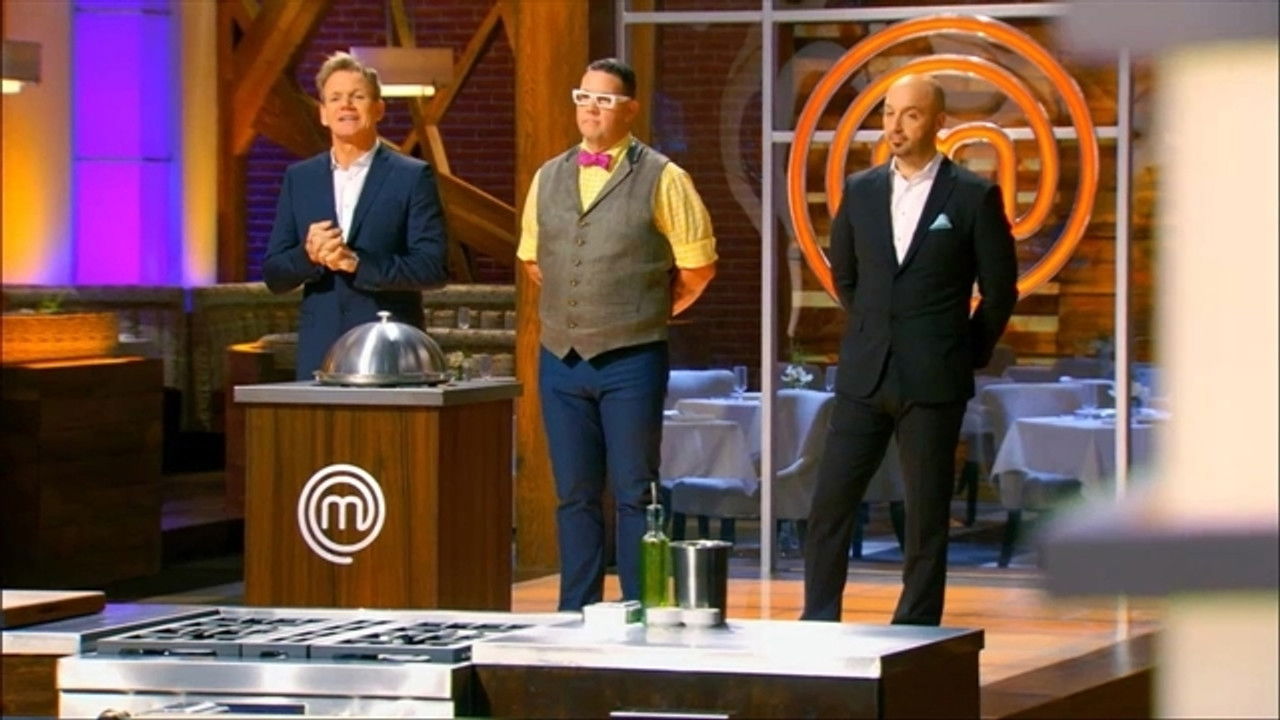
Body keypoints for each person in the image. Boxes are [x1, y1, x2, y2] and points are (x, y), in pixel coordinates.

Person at [802, 74, 1018, 626]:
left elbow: (1000, 292)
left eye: (910, 115)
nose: (895, 126)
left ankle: (915, 627)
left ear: (938, 122)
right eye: (888, 113)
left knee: (926, 516)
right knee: (829, 506)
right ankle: (818, 621)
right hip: (865, 374)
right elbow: (845, 276)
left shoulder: (972, 195)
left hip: (933, 378)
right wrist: (874, 327)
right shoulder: (861, 190)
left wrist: (963, 351)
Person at [518, 58, 717, 611]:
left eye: (604, 100)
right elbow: (533, 260)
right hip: (560, 358)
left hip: (632, 357)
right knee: (574, 494)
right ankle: (574, 610)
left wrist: (650, 306)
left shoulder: (664, 177)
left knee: (636, 492)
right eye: (583, 97)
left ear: (630, 109)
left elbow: (698, 267)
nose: (591, 108)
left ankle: (643, 607)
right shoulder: (547, 176)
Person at [263, 51, 449, 379]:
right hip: (320, 352)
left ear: (378, 109)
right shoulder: (300, 178)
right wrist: (309, 256)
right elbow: (275, 274)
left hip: (389, 350)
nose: (346, 105)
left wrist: (357, 264)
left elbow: (432, 267)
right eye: (335, 98)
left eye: (357, 97)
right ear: (323, 113)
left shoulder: (411, 176)